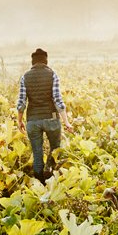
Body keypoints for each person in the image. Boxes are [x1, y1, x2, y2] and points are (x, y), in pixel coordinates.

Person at [16, 48, 71, 181]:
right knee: (55, 150)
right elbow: (58, 100)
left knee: (37, 153)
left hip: (32, 121)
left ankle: (40, 183)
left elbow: (21, 103)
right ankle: (50, 171)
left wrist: (19, 121)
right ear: (46, 61)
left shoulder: (25, 76)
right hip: (51, 118)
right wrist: (66, 122)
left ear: (32, 62)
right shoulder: (52, 74)